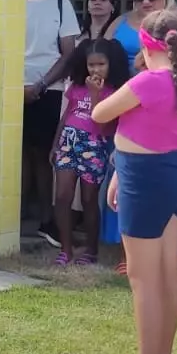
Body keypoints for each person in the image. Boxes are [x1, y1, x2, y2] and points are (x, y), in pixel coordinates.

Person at [91, 10, 177, 354]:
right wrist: (120, 170)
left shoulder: (147, 82)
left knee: (143, 280)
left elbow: (101, 113)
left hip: (146, 180)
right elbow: (148, 129)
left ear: (144, 43)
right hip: (170, 174)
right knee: (167, 274)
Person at [52, 38, 128, 267]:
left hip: (95, 144)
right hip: (70, 140)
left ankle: (91, 250)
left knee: (89, 199)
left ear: (111, 64)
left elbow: (103, 123)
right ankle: (66, 249)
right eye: (91, 65)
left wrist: (96, 95)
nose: (95, 70)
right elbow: (67, 115)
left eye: (100, 64)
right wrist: (56, 143)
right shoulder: (77, 86)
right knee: (62, 196)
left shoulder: (116, 92)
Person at [22, 0, 81, 243]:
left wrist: (41, 85)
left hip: (49, 90)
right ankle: (15, 217)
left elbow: (69, 52)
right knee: (16, 155)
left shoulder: (61, 5)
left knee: (43, 156)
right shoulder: (10, 4)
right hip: (12, 90)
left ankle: (47, 220)